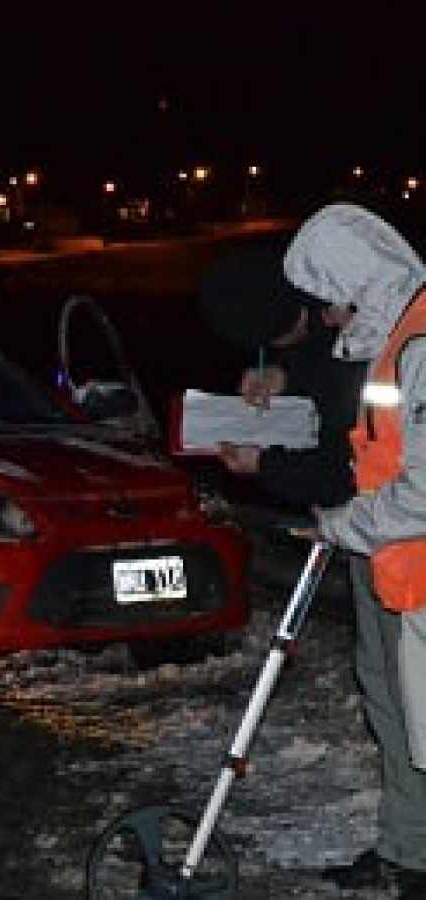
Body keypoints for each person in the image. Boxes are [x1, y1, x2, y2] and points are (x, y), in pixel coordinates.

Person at [283, 202, 426, 899]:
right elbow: (372, 448)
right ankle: (408, 851)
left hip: (415, 568)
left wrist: (342, 526)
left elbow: (424, 490)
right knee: (394, 713)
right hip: (390, 563)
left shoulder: (421, 344)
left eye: (329, 300)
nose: (326, 318)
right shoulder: (391, 337)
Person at [197, 242, 364, 509]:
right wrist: (285, 375)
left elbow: (348, 475)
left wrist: (265, 465)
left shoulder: (367, 346)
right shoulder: (322, 296)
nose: (332, 318)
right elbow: (321, 357)